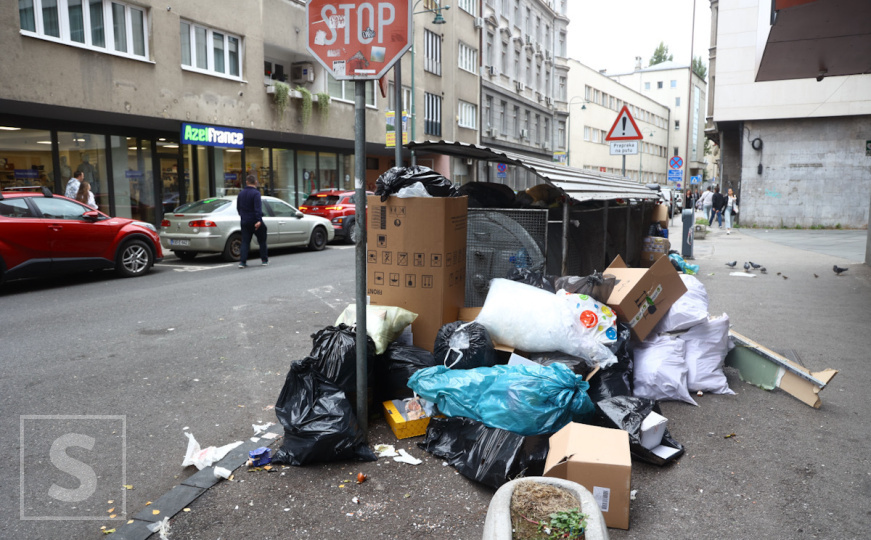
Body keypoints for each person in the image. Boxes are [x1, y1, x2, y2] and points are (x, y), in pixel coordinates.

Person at [236, 175, 268, 268]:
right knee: (262, 240)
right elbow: (257, 208)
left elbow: (238, 208)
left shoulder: (241, 194)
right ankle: (264, 259)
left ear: (247, 182)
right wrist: (259, 220)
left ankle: (242, 262)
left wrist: (243, 216)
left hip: (244, 221)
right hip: (254, 220)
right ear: (256, 182)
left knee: (245, 241)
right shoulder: (256, 193)